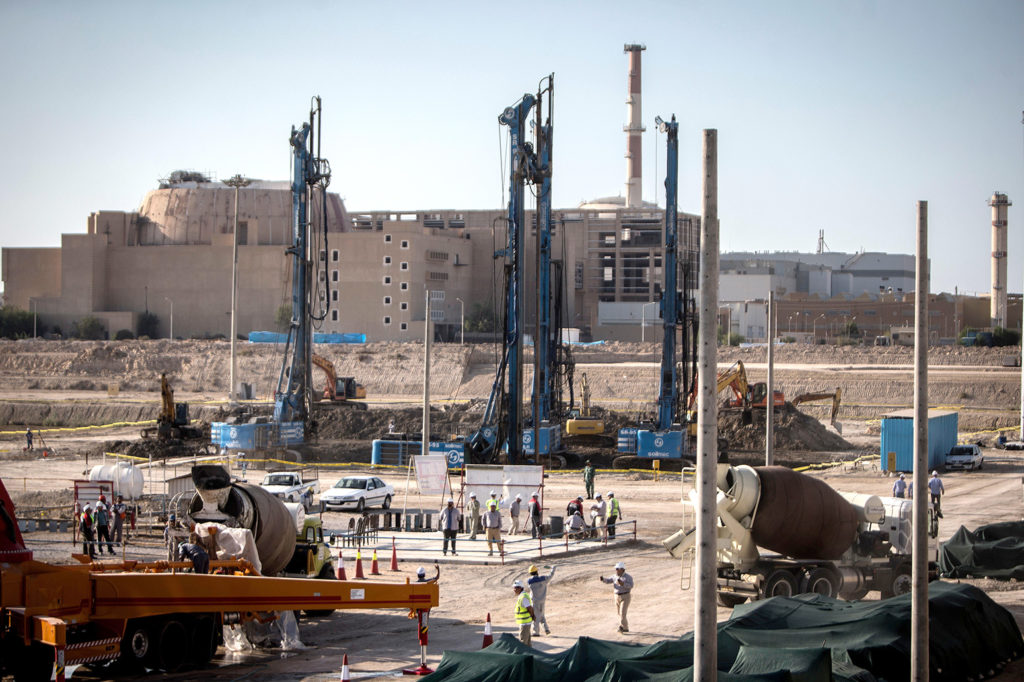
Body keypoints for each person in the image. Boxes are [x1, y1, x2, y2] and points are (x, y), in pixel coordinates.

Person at [599, 561, 634, 633]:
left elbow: (631, 586)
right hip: (617, 596)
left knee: (622, 613)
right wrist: (603, 579)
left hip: (625, 596)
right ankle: (626, 628)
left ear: (622, 569)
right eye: (616, 569)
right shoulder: (614, 576)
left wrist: (623, 584)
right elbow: (608, 581)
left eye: (618, 569)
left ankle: (622, 627)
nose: (616, 570)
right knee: (619, 613)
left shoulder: (628, 577)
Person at [528, 565, 555, 636]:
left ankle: (536, 632)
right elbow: (550, 576)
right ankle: (546, 629)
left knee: (535, 617)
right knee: (542, 615)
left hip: (535, 602)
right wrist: (553, 569)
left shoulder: (530, 582)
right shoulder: (544, 579)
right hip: (542, 601)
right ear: (537, 571)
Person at [512, 580, 536, 646]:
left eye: (516, 588)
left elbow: (529, 608)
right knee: (527, 643)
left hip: (525, 623)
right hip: (524, 622)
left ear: (521, 588)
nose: (514, 589)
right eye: (514, 587)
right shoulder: (522, 596)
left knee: (523, 643)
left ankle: (523, 656)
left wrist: (533, 616)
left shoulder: (523, 597)